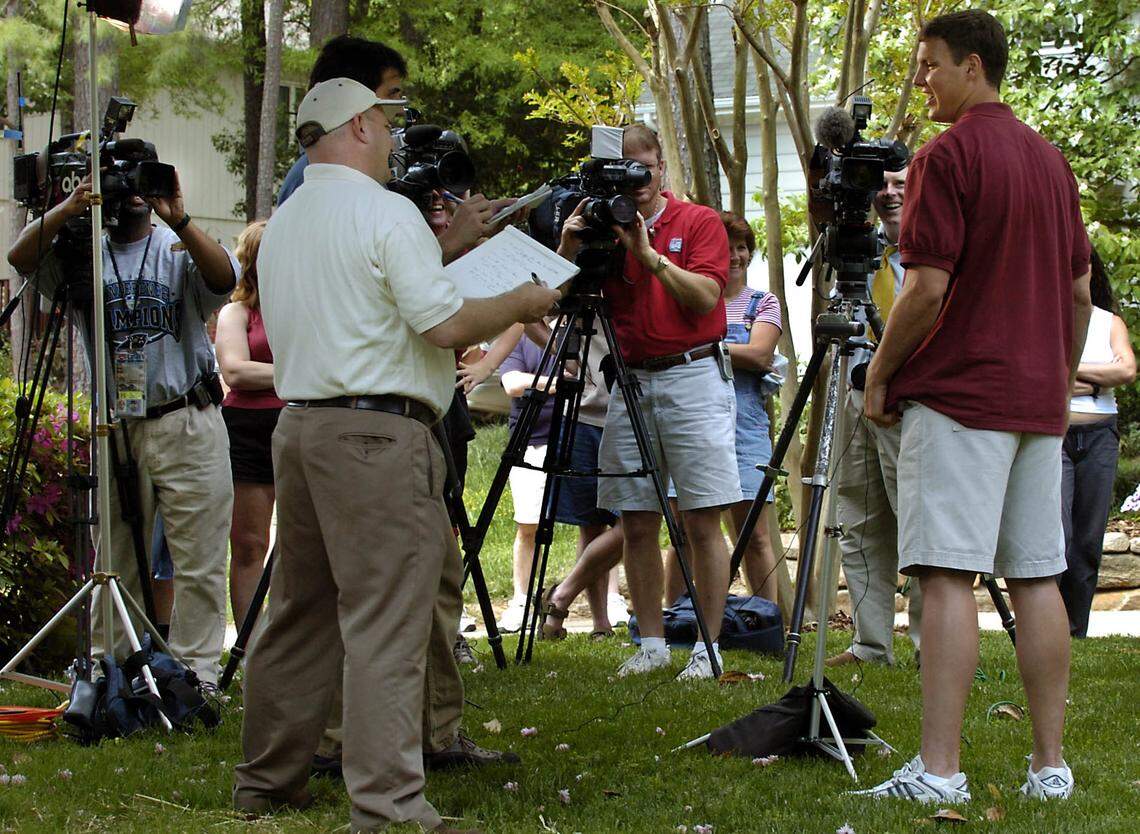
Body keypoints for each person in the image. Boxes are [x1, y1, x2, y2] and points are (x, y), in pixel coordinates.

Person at [233, 77, 559, 833]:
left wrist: (448, 251)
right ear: (357, 127)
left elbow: (376, 299)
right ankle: (388, 806)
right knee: (387, 621)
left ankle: (266, 782)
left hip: (302, 426)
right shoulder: (384, 212)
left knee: (299, 614)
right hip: (378, 436)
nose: (392, 141)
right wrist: (523, 300)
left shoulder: (285, 221)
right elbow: (443, 324)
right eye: (383, 126)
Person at [857, 10, 1092, 802]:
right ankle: (1049, 767)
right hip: (1033, 399)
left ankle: (940, 772)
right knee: (1036, 577)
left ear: (973, 67)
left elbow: (925, 288)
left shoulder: (946, 154)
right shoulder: (1050, 161)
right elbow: (1080, 292)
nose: (921, 79)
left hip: (960, 395)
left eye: (930, 65)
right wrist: (1055, 378)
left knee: (946, 576)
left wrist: (880, 376)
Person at [8, 170, 237, 687]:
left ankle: (193, 677)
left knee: (198, 558)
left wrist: (179, 217)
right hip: (115, 427)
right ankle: (116, 671)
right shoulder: (82, 255)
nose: (134, 186)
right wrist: (71, 208)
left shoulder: (178, 248)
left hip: (186, 416)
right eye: (121, 176)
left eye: (145, 172)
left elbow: (225, 280)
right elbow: (20, 259)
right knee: (115, 562)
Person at [558, 124, 738, 680]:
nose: (634, 182)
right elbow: (556, 302)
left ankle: (708, 649)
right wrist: (569, 246)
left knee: (702, 519)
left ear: (661, 166)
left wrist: (649, 253)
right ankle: (652, 642)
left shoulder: (698, 221)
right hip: (630, 378)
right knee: (636, 517)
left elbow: (707, 296)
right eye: (621, 171)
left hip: (692, 374)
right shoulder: (599, 227)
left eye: (643, 168)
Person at [826, 165, 924, 669]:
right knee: (859, 517)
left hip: (907, 398)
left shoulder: (932, 253)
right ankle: (870, 644)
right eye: (880, 187)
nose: (888, 195)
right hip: (854, 386)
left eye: (900, 186)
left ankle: (932, 646)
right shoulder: (858, 255)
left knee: (919, 518)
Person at [661, 212, 784, 604]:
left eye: (742, 247)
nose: (734, 256)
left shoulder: (763, 302)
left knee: (755, 534)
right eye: (726, 248)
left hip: (745, 426)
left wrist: (700, 349)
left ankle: (765, 622)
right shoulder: (688, 298)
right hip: (691, 418)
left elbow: (761, 353)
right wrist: (733, 352)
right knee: (684, 532)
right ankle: (677, 619)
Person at [1061, 250, 1136, 637]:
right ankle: (1048, 625)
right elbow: (1042, 376)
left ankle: (1076, 628)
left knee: (1088, 539)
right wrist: (1097, 380)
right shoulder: (1045, 318)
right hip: (1055, 437)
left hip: (1099, 438)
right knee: (1058, 534)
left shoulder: (1109, 322)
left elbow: (1126, 369)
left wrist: (1071, 373)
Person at [215, 220, 282, 627]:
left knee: (300, 545)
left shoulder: (306, 307)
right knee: (250, 542)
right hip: (247, 429)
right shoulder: (236, 312)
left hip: (299, 424)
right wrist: (302, 374)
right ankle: (249, 644)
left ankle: (293, 646)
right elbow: (235, 371)